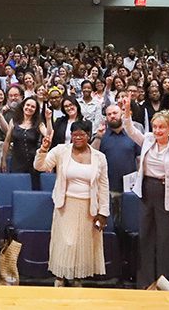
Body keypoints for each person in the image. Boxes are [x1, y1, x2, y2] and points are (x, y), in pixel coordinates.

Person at [36, 121, 110, 286]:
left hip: (89, 208)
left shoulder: (99, 157)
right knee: (66, 244)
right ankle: (60, 278)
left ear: (89, 136)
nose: (77, 138)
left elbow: (104, 187)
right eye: (74, 135)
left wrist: (103, 212)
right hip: (65, 205)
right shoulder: (61, 151)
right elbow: (40, 166)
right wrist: (43, 149)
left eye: (81, 135)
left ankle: (77, 280)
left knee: (82, 247)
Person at [130, 107, 169, 289]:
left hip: (167, 192)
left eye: (161, 127)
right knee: (145, 236)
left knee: (165, 239)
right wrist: (126, 113)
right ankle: (146, 281)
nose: (157, 131)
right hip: (147, 190)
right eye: (155, 127)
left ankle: (164, 280)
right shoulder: (148, 140)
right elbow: (131, 130)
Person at [2, 96, 50, 189]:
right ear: (23, 106)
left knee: (34, 188)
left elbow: (48, 135)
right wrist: (3, 160)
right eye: (27, 105)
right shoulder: (14, 121)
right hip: (17, 161)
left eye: (33, 107)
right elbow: (7, 141)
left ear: (36, 110)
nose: (29, 108)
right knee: (17, 187)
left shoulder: (38, 123)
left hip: (33, 163)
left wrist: (48, 120)